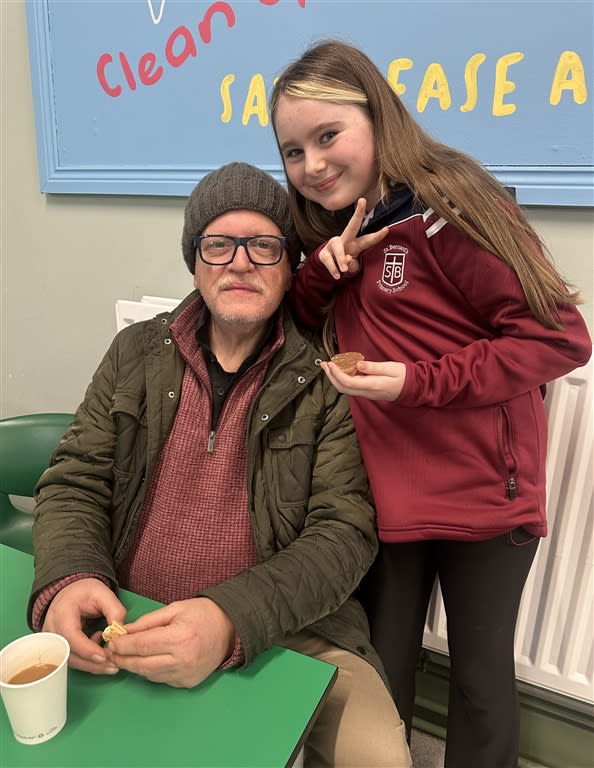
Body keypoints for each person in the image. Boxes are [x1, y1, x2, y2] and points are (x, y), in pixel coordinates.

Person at [270, 40, 593, 768]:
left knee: (479, 683)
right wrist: (322, 274)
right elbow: (300, 324)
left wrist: (418, 382)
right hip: (384, 493)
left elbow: (559, 339)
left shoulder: (451, 206)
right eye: (293, 150)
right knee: (382, 674)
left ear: (377, 117)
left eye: (328, 135)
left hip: (484, 494)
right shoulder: (332, 226)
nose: (312, 164)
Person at [28, 162, 412, 767]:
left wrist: (230, 618)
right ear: (195, 261)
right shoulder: (134, 353)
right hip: (130, 610)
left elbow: (344, 534)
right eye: (218, 245)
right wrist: (72, 576)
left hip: (288, 626)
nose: (240, 263)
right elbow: (74, 480)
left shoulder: (328, 377)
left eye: (263, 246)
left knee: (380, 758)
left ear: (289, 267)